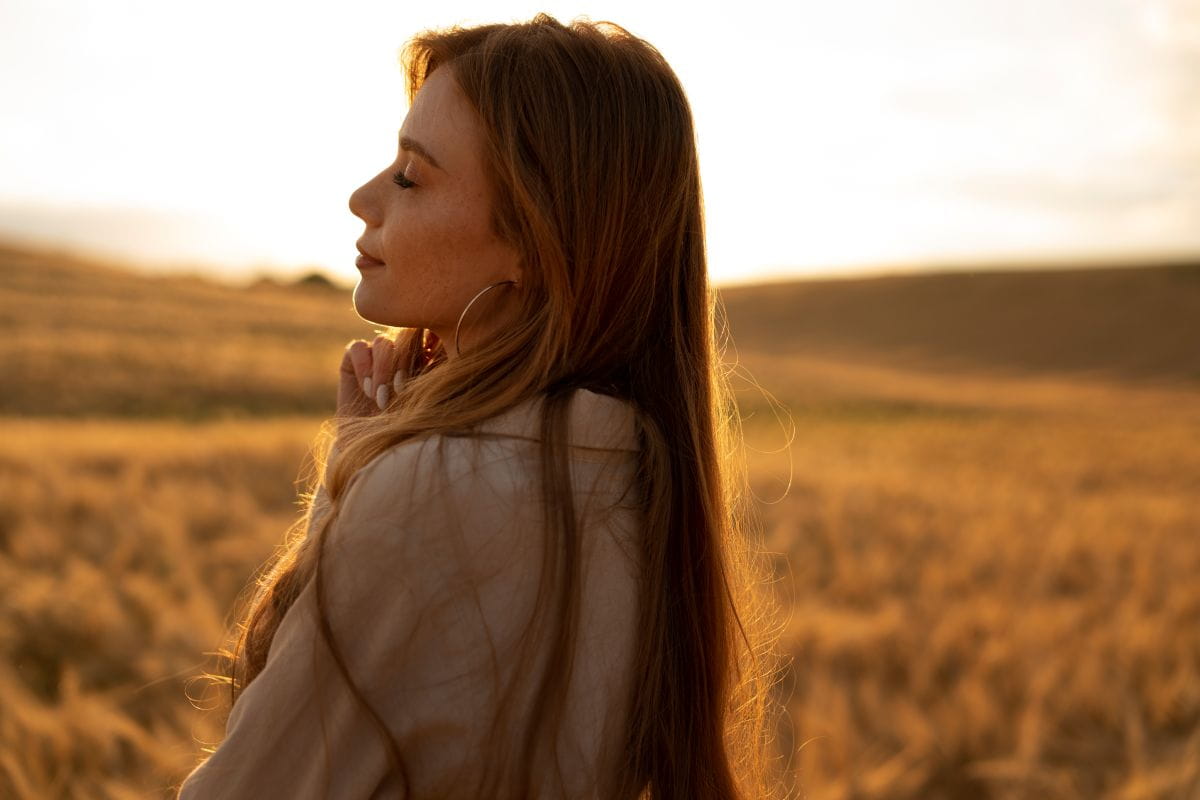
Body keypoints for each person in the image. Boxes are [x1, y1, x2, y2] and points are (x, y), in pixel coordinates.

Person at [176, 12, 786, 800]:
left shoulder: (431, 490)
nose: (363, 198)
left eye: (409, 176)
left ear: (535, 237)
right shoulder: (640, 467)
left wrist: (354, 495)